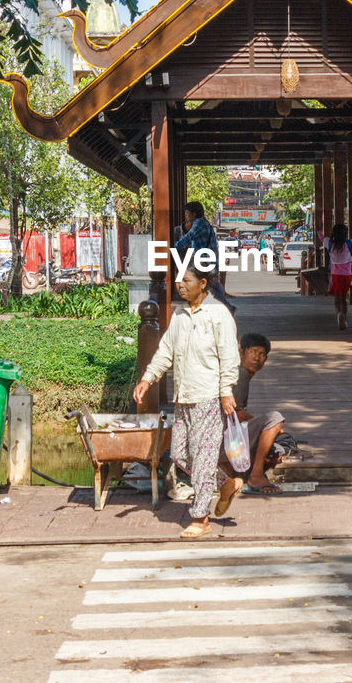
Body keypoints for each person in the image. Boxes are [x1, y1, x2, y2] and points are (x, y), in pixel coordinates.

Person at [132, 264, 243, 538]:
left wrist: (226, 390)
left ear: (203, 284)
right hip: (183, 397)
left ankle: (200, 517)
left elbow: (229, 356)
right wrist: (148, 378)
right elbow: (165, 351)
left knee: (203, 459)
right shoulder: (180, 315)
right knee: (181, 454)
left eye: (187, 281)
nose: (181, 286)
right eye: (179, 281)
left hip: (208, 397)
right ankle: (226, 484)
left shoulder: (218, 315)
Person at [229, 333, 286, 494]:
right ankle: (256, 474)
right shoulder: (240, 375)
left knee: (277, 448)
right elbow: (237, 414)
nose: (257, 358)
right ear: (242, 353)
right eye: (253, 352)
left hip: (227, 438)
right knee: (275, 419)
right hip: (224, 440)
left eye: (262, 354)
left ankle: (244, 471)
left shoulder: (242, 374)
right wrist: (266, 426)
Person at [174, 201, 234, 312]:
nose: (185, 216)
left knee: (210, 289)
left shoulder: (199, 223)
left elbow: (189, 237)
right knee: (213, 288)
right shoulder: (204, 223)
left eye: (187, 213)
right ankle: (227, 308)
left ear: (194, 213)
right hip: (208, 261)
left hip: (204, 262)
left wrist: (176, 245)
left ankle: (227, 308)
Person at [321, 223, 352, 329]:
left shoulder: (329, 243)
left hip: (335, 275)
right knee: (343, 298)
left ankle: (339, 314)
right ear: (345, 234)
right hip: (347, 275)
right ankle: (344, 317)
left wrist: (318, 230)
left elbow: (321, 238)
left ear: (334, 233)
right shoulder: (350, 243)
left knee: (336, 299)